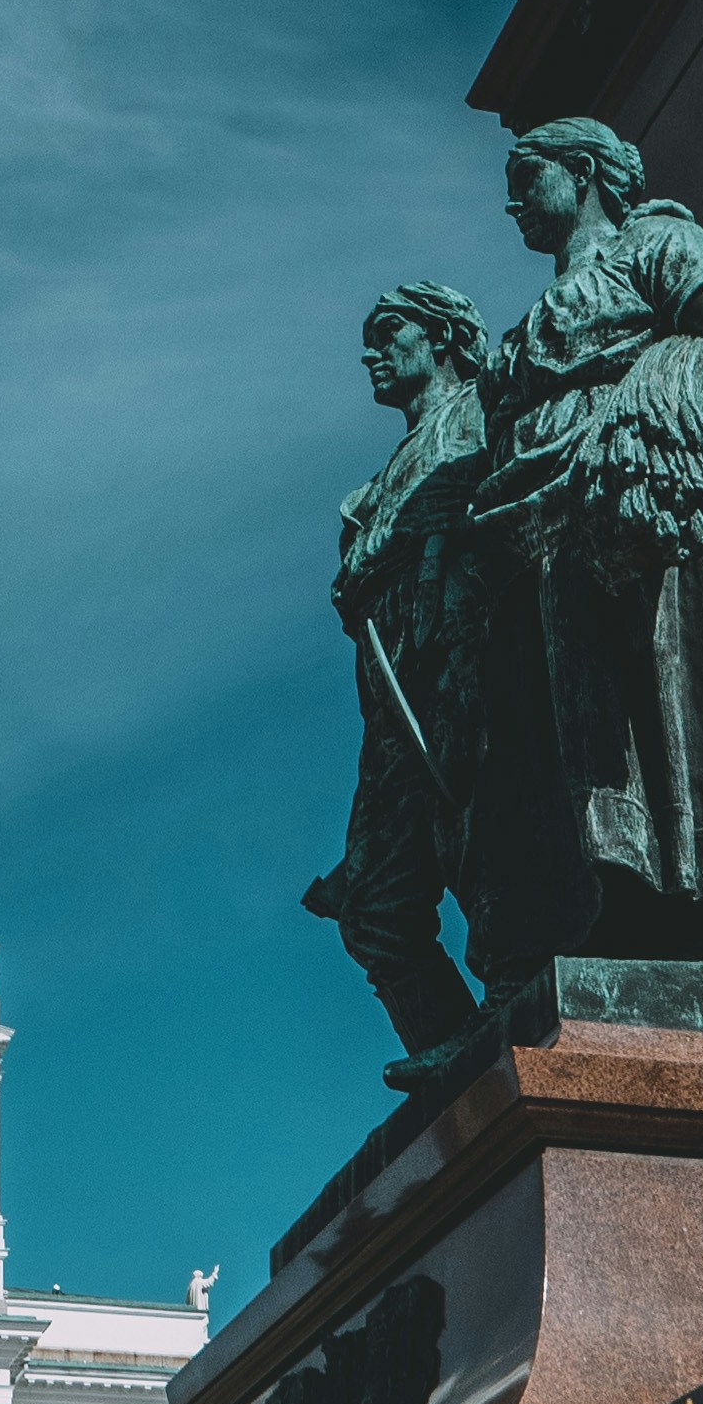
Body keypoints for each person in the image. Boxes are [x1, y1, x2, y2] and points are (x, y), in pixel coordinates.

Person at [465, 120, 703, 963]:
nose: (511, 200)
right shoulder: (525, 325)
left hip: (639, 508)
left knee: (669, 698)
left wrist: (691, 453)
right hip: (541, 533)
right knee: (579, 724)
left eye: (528, 175)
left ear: (583, 170)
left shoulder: (656, 242)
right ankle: (616, 891)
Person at [303, 281, 507, 1081]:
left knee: (486, 848)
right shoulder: (380, 477)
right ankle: (461, 1060)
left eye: (390, 332)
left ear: (448, 337)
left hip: (466, 662)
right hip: (392, 699)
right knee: (373, 907)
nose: (372, 352)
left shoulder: (485, 411)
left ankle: (510, 1007)